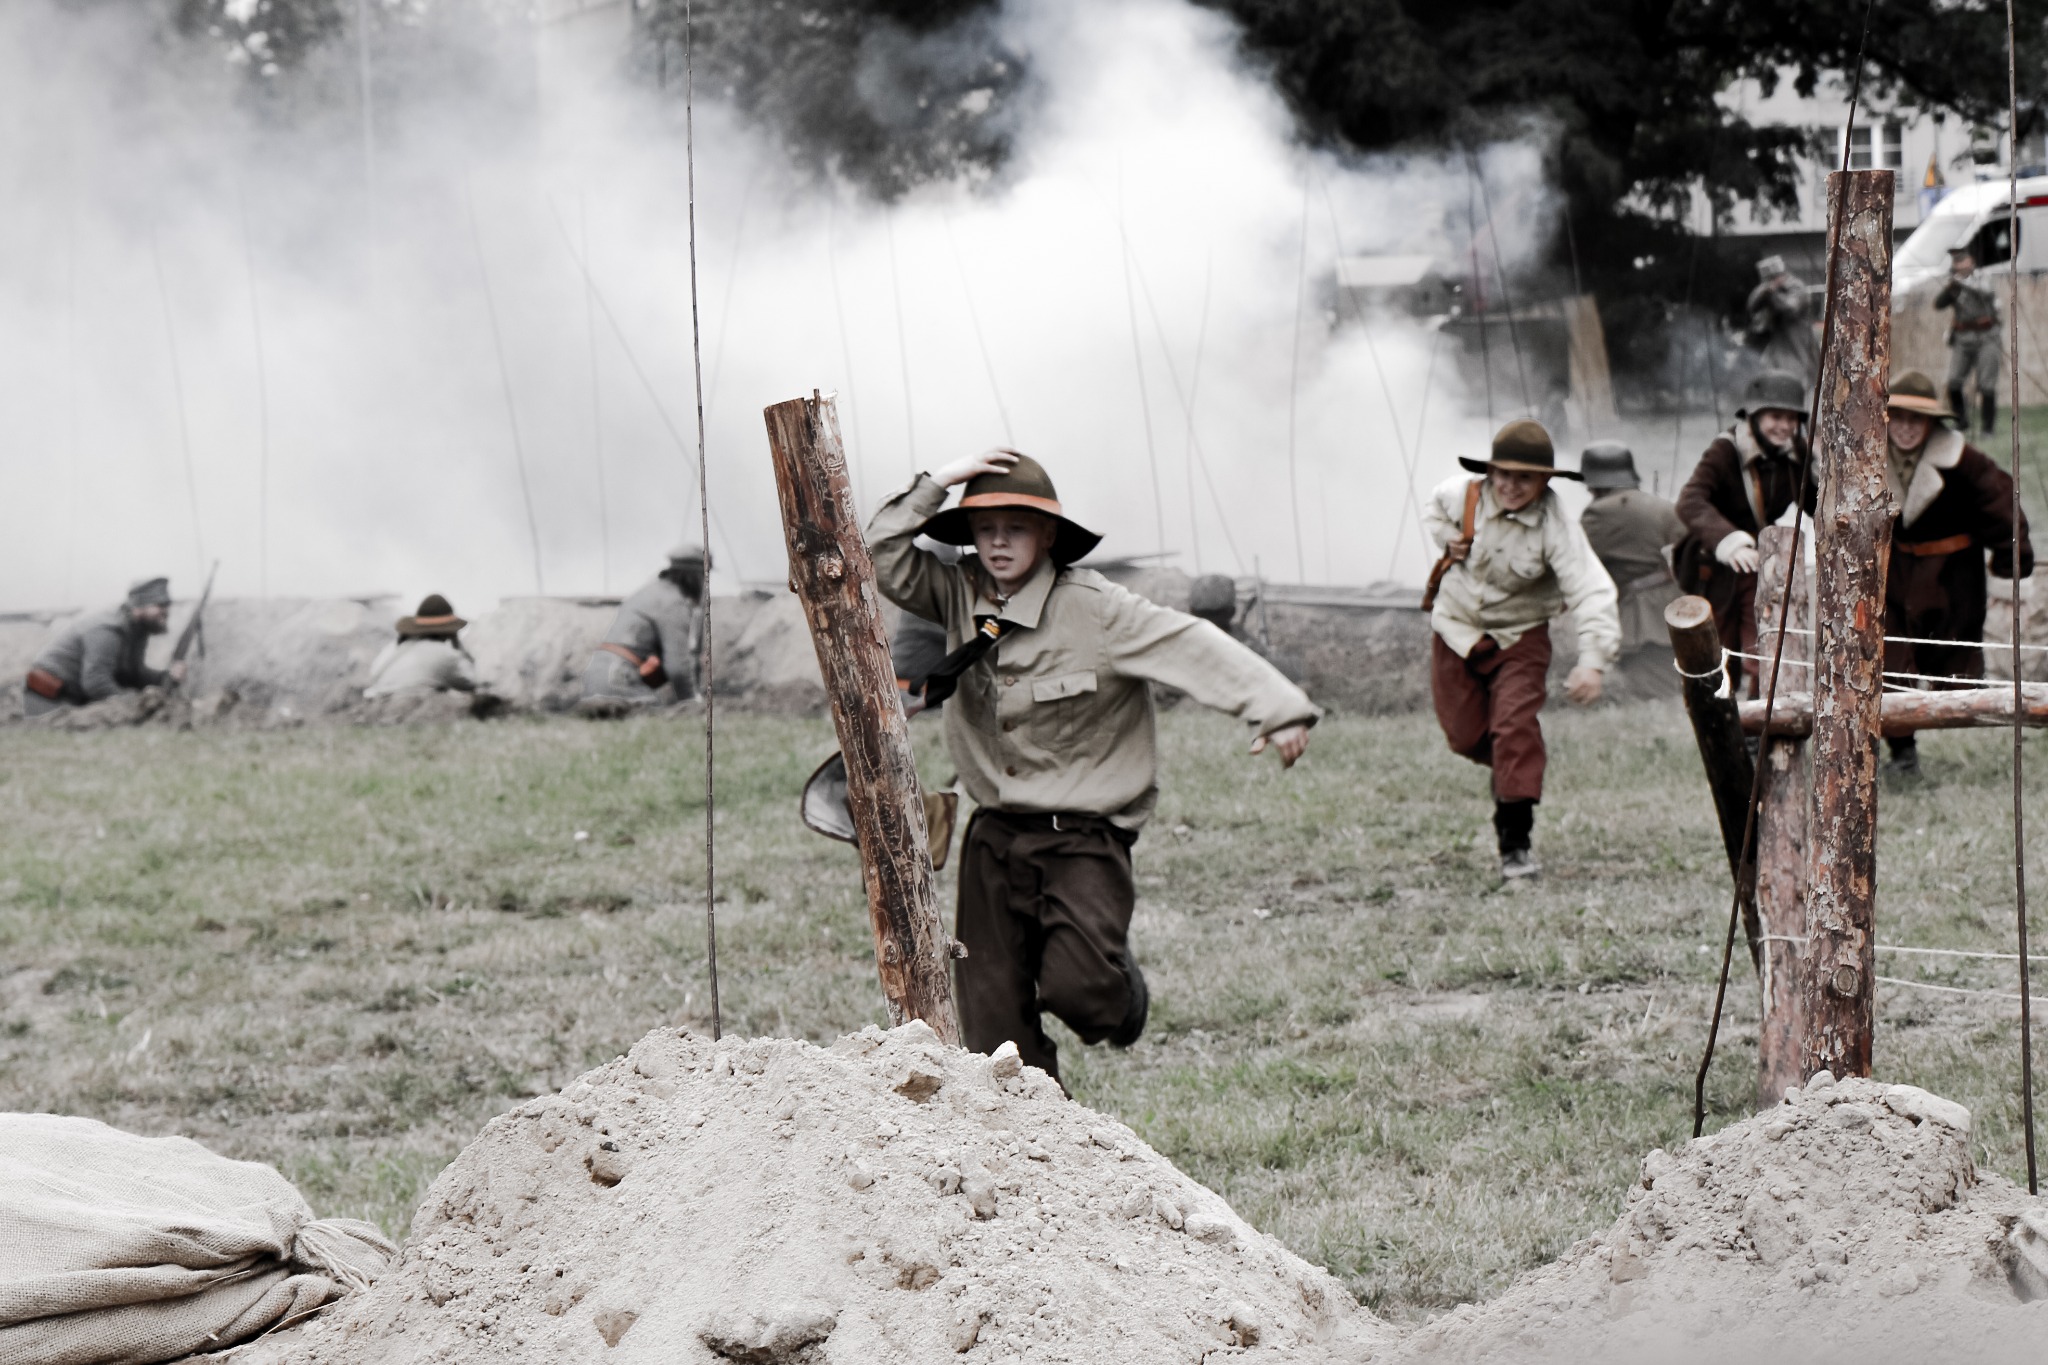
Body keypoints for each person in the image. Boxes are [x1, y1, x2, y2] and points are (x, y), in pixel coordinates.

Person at [868, 449, 1318, 1081]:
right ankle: (1031, 1148)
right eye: (985, 527)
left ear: (1048, 535)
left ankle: (1124, 995)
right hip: (993, 837)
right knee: (994, 1028)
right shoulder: (954, 592)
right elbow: (878, 552)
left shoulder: (1100, 609)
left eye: (1016, 527)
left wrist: (1278, 709)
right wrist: (939, 481)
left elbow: (1191, 645)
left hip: (1082, 838)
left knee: (1087, 995)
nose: (998, 542)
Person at [1423, 421, 1619, 880]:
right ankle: (1517, 764)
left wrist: (1593, 661)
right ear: (1489, 472)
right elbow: (1433, 512)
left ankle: (1516, 848)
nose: (1511, 486)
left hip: (1520, 638)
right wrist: (1444, 539)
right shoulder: (1459, 495)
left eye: (1525, 477)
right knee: (1467, 736)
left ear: (1545, 481)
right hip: (1455, 629)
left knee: (1512, 729)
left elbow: (1592, 591)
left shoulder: (1556, 525)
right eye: (1503, 474)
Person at [1878, 371, 2033, 777]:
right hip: (1895, 577)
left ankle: (1975, 741)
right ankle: (1902, 751)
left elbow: (2003, 504)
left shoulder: (1962, 459)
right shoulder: (1869, 459)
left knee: (1953, 667)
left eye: (1917, 419)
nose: (1907, 428)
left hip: (1953, 580)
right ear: (1886, 418)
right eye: (1899, 417)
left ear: (1932, 422)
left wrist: (2010, 560)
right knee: (1890, 662)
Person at [1674, 370, 1816, 696]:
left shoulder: (1797, 454)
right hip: (1714, 564)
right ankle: (1722, 735)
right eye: (1775, 416)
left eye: (1791, 418)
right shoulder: (1725, 450)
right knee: (1716, 658)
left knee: (1763, 650)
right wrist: (1730, 542)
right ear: (1754, 415)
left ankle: (1759, 734)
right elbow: (1690, 500)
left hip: (1759, 564)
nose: (1784, 425)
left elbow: (1814, 500)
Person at [1577, 442, 1685, 697]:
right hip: (1678, 608)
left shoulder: (1598, 514)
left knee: (1656, 693)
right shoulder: (1663, 506)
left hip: (1641, 618)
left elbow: (1580, 564)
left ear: (1591, 481)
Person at [22, 578, 184, 718]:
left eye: (167, 605)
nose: (165, 612)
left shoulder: (138, 630)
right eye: (159, 605)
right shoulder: (108, 629)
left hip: (73, 698)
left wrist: (165, 677)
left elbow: (134, 674)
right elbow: (95, 682)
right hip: (47, 699)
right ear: (138, 606)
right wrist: (134, 702)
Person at [581, 544, 707, 706]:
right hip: (618, 681)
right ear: (695, 576)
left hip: (598, 678)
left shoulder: (651, 591)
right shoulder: (673, 603)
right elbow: (678, 666)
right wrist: (691, 702)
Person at [1933, 247, 2002, 435]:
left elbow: (1986, 293)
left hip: (1987, 336)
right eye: (1956, 261)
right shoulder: (1955, 284)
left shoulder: (1982, 277)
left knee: (1987, 384)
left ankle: (1988, 429)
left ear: (1971, 260)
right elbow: (1938, 304)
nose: (1959, 264)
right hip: (1963, 338)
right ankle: (1961, 422)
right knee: (1953, 381)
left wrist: (1961, 283)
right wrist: (1950, 288)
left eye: (1962, 260)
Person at [363, 595, 478, 698]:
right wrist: (460, 649)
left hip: (377, 702)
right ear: (449, 631)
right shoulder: (445, 654)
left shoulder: (392, 647)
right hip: (411, 705)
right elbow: (471, 683)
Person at [1745, 255, 1818, 383]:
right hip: (1778, 348)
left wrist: (1773, 294)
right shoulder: (1769, 291)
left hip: (1798, 346)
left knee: (1798, 383)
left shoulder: (1796, 287)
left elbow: (1791, 308)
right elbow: (1752, 305)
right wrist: (1767, 290)